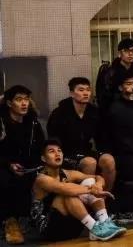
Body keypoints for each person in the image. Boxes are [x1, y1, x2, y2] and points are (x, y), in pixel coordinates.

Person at [30, 139, 126, 242]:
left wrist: (97, 185)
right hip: (49, 230)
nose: (57, 154)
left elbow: (98, 177)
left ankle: (105, 221)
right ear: (43, 158)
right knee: (67, 194)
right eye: (51, 151)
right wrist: (92, 190)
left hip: (71, 227)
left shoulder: (68, 173)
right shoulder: (41, 179)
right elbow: (64, 188)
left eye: (59, 150)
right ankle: (94, 228)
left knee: (89, 181)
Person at [47, 77, 116, 190]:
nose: (85, 93)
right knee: (90, 162)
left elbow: (101, 137)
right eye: (81, 90)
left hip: (85, 150)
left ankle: (105, 195)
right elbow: (53, 139)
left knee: (109, 160)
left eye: (88, 90)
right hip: (66, 153)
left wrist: (104, 151)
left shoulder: (94, 112)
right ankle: (86, 197)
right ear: (72, 93)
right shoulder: (59, 113)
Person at [0, 85, 45, 244]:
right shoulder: (2, 123)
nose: (24, 103)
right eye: (19, 99)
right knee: (5, 179)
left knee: (41, 178)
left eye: (26, 99)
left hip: (28, 165)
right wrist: (9, 164)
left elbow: (40, 146)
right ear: (9, 103)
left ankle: (31, 218)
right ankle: (10, 221)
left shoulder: (32, 122)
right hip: (4, 165)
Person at [96, 38, 133, 110]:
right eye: (126, 51)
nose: (130, 53)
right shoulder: (109, 73)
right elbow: (102, 96)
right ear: (119, 53)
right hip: (113, 110)